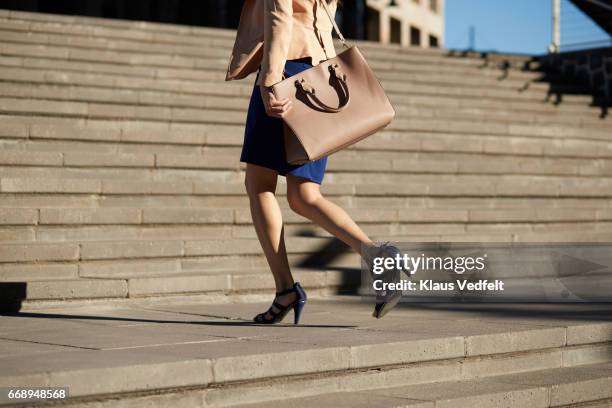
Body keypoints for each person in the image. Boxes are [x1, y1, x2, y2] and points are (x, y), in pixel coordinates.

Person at [226, 0, 401, 324]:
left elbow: (280, 15)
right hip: (320, 73)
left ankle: (285, 289)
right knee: (304, 196)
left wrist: (269, 78)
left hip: (287, 72)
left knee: (259, 184)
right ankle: (376, 256)